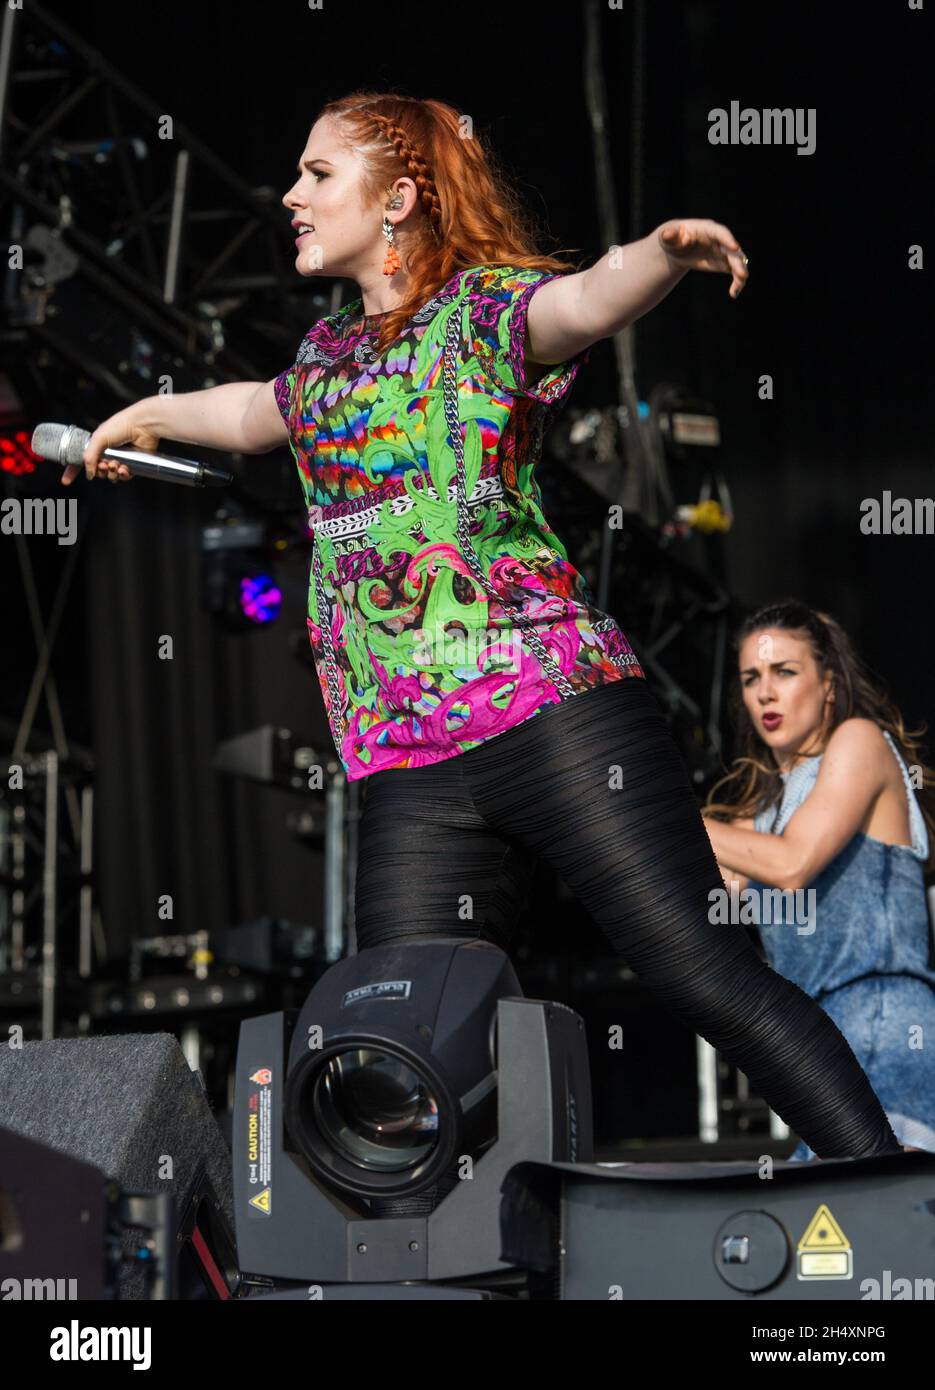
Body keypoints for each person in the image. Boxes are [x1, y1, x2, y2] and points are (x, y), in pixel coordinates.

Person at [70, 91, 909, 1161]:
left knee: (703, 976)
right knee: (398, 1042)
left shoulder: (480, 316)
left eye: (318, 174)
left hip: (550, 714)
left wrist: (655, 252)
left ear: (399, 199)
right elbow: (244, 414)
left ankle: (890, 1206)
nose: (290, 194)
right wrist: (142, 414)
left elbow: (581, 304)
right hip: (406, 765)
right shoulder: (325, 365)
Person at [704, 600, 935, 1157]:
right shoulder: (757, 815)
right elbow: (699, 905)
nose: (765, 692)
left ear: (828, 684)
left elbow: (792, 863)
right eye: (751, 678)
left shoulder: (859, 741)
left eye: (785, 672)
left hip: (884, 1020)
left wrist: (672, 817)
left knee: (871, 1218)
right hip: (818, 1051)